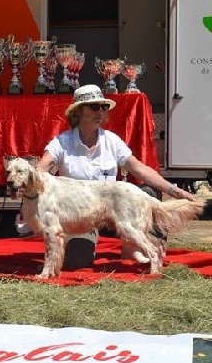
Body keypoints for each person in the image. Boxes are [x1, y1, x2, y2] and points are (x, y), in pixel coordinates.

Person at [35, 84, 196, 268]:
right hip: (79, 216)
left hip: (114, 208)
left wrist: (175, 191)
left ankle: (132, 248)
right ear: (78, 111)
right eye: (95, 107)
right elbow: (40, 172)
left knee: (148, 192)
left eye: (104, 107)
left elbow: (139, 168)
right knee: (76, 262)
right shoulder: (61, 142)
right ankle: (95, 244)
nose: (101, 112)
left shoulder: (111, 140)